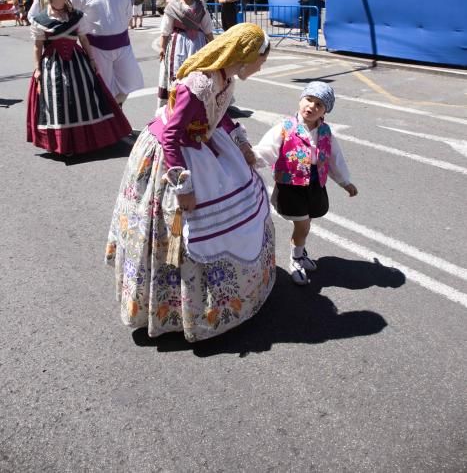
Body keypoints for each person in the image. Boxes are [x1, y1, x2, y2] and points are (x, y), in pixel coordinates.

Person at [105, 23, 275, 342]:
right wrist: (184, 188)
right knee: (179, 229)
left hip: (200, 142)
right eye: (261, 59)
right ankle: (172, 306)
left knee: (240, 200)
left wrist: (241, 144)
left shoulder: (223, 77)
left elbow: (218, 113)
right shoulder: (198, 83)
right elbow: (171, 136)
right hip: (172, 154)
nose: (262, 65)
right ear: (245, 55)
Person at [253, 81, 358, 285]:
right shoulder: (284, 127)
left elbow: (334, 159)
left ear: (324, 111)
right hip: (291, 187)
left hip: (314, 185)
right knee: (302, 225)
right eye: (309, 100)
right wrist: (250, 159)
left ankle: (299, 252)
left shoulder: (325, 132)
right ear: (301, 99)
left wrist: (345, 182)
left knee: (306, 224)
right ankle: (296, 259)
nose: (312, 106)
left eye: (319, 104)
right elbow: (267, 150)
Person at [26, 0, 132, 156]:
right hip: (53, 63)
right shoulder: (41, 19)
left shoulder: (76, 16)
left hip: (77, 61)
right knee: (59, 99)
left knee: (85, 97)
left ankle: (92, 140)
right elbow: (38, 45)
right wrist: (37, 68)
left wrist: (91, 60)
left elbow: (84, 39)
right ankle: (64, 144)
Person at [69, 0, 144, 106]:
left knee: (128, 82)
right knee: (102, 89)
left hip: (123, 45)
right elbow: (71, 20)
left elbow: (127, 14)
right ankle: (111, 123)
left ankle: (116, 112)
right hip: (96, 48)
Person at [157, 0, 214, 107]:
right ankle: (178, 103)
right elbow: (165, 29)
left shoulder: (200, 4)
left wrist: (213, 44)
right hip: (179, 43)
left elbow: (207, 27)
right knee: (179, 73)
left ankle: (198, 103)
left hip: (199, 43)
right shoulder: (172, 5)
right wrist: (162, 47)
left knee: (199, 72)